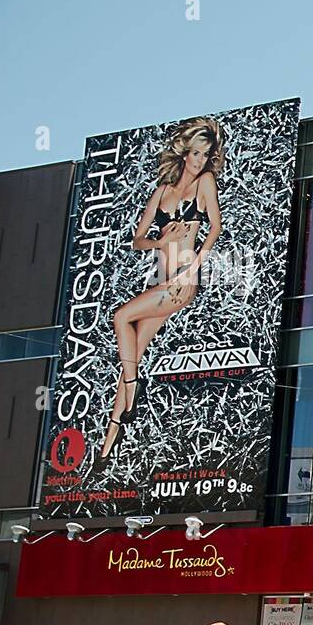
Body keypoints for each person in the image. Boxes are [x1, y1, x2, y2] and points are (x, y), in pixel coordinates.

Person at [99, 116, 224, 461]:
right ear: (185, 154)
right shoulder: (162, 192)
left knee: (121, 316)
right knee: (132, 353)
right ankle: (111, 440)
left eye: (206, 155)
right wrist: (158, 240)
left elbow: (214, 228)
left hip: (183, 277)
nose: (200, 161)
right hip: (161, 278)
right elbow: (137, 240)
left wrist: (193, 269)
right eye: (196, 154)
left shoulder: (205, 184)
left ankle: (132, 387)